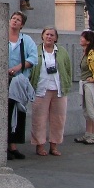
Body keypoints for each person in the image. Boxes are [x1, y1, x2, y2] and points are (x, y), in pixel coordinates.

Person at [30, 27, 72, 156]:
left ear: (56, 38)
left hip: (58, 89)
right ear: (42, 36)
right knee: (39, 119)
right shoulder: (35, 51)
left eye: (52, 35)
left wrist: (67, 84)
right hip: (41, 89)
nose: (49, 37)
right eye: (47, 34)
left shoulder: (62, 52)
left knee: (58, 119)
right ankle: (40, 145)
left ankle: (54, 145)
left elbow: (67, 68)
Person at [6, 11, 37, 160]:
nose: (15, 21)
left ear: (22, 24)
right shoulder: (2, 36)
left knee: (17, 112)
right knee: (3, 112)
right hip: (2, 80)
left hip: (18, 80)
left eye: (18, 20)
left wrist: (18, 67)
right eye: (13, 18)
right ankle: (3, 145)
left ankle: (13, 145)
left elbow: (33, 58)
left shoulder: (26, 40)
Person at [75, 30, 94, 145]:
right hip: (85, 84)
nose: (80, 39)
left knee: (93, 111)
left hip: (90, 85)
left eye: (82, 37)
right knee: (86, 111)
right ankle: (88, 134)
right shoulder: (87, 53)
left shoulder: (93, 54)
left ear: (88, 41)